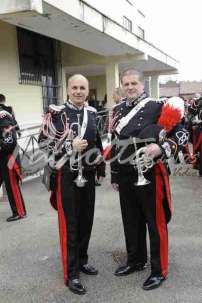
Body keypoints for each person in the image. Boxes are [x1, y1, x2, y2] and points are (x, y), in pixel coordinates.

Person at [109, 69, 188, 290]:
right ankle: (136, 260)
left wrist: (161, 148)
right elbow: (116, 144)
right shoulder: (117, 110)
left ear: (143, 85)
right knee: (130, 220)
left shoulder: (157, 106)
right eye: (126, 83)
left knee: (155, 223)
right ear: (122, 86)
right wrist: (115, 173)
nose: (130, 87)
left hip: (151, 173)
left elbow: (182, 134)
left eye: (134, 83)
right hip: (125, 174)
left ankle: (158, 270)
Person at [39, 74, 105, 295]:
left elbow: (97, 141)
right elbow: (43, 142)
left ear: (87, 91)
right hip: (66, 176)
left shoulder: (93, 113)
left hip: (87, 176)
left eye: (82, 88)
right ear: (67, 89)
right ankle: (71, 273)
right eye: (74, 87)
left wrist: (101, 167)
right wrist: (69, 146)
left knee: (87, 220)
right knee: (71, 224)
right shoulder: (55, 113)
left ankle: (82, 260)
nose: (78, 91)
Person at [0, 110, 26, 222]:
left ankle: (19, 212)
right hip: (3, 158)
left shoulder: (3, 117)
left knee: (12, 187)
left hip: (9, 159)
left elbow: (9, 143)